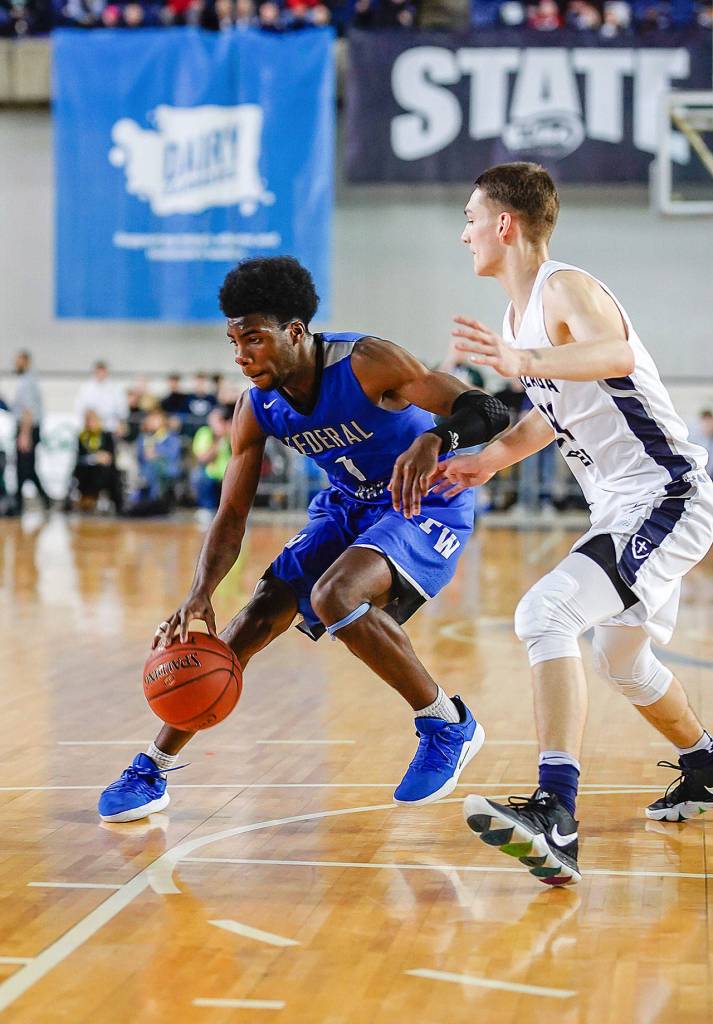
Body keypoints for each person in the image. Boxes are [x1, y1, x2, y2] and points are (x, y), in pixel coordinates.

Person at [97, 255, 510, 823]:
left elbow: (487, 408)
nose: (242, 355)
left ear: (294, 332)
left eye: (254, 339)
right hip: (347, 506)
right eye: (233, 342)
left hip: (426, 499)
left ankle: (446, 722)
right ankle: (153, 767)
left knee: (334, 595)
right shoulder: (256, 406)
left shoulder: (367, 362)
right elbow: (231, 514)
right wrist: (199, 593)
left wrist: (436, 439)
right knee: (254, 616)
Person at [438, 162, 713, 886]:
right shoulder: (514, 317)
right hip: (623, 501)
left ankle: (554, 813)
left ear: (505, 224)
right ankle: (705, 765)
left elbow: (615, 354)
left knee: (545, 613)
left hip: (663, 492)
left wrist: (524, 358)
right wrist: (487, 460)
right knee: (619, 662)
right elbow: (551, 415)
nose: (462, 232)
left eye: (469, 217)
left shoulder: (564, 286)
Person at [9, 350, 51, 515]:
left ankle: (20, 505)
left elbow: (28, 411)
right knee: (26, 467)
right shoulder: (28, 380)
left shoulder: (27, 382)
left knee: (24, 467)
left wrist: (24, 434)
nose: (15, 363)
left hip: (27, 429)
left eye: (17, 360)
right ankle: (32, 501)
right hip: (28, 429)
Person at [68, 409, 123, 513]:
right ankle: (90, 500)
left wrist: (103, 457)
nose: (91, 424)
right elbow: (80, 457)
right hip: (88, 470)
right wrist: (95, 458)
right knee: (94, 471)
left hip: (105, 469)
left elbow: (111, 455)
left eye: (93, 421)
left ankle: (114, 504)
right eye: (88, 421)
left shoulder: (106, 436)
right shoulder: (83, 437)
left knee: (108, 472)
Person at [191, 404, 233, 511]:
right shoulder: (205, 433)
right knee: (200, 477)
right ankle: (207, 510)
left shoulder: (231, 434)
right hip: (210, 475)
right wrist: (218, 439)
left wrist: (231, 432)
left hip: (229, 475)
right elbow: (203, 458)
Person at [75, 360, 128, 436]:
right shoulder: (86, 388)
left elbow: (122, 409)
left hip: (111, 427)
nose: (101, 374)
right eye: (98, 372)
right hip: (91, 427)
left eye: (103, 372)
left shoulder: (115, 388)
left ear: (106, 372)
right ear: (94, 372)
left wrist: (121, 423)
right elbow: (80, 408)